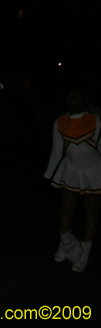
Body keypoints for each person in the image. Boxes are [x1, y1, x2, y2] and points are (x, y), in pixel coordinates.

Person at [44, 87, 100, 273]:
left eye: (78, 94)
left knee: (91, 214)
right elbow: (56, 152)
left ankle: (84, 256)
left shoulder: (96, 121)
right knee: (66, 208)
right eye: (70, 94)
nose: (73, 97)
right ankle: (65, 244)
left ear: (85, 99)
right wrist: (48, 176)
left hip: (93, 171)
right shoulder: (60, 122)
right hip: (70, 169)